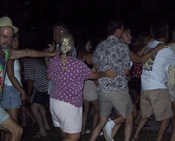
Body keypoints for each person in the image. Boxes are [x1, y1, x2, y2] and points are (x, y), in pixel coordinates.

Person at [47, 33, 117, 141]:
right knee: (74, 136)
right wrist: (105, 73)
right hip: (68, 103)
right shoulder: (76, 63)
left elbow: (48, 76)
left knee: (65, 132)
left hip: (55, 101)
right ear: (72, 47)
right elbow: (92, 75)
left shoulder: (55, 60)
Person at [0, 16, 58, 141]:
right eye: (4, 36)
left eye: (10, 37)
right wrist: (22, 91)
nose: (8, 41)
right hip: (10, 92)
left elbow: (27, 52)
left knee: (17, 130)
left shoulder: (7, 52)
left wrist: (50, 54)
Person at [89, 20, 133, 141]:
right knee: (129, 116)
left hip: (103, 88)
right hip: (117, 87)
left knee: (102, 121)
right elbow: (126, 71)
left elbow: (95, 63)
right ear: (118, 30)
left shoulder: (100, 45)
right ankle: (112, 123)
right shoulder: (122, 46)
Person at [132, 22, 175, 141]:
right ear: (166, 34)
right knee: (167, 117)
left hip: (145, 87)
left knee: (145, 115)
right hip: (158, 87)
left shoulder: (150, 45)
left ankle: (135, 136)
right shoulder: (166, 50)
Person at [24, 57, 50, 138]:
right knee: (40, 105)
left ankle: (42, 131)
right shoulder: (36, 60)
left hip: (43, 87)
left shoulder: (27, 63)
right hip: (47, 85)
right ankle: (46, 125)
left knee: (34, 108)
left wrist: (28, 94)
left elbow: (30, 81)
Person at [78, 37, 100, 135]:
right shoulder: (89, 56)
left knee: (86, 109)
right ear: (84, 45)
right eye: (89, 44)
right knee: (99, 109)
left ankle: (82, 130)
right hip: (90, 84)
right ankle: (95, 130)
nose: (90, 46)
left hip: (82, 84)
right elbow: (96, 67)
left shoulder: (79, 55)